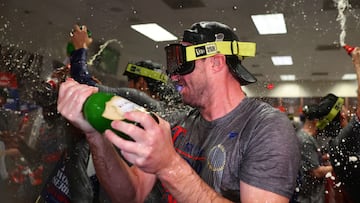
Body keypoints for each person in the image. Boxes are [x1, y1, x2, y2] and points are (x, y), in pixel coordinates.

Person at [57, 21, 301, 202]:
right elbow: (131, 195)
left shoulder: (266, 128)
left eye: (181, 62)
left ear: (216, 62)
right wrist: (95, 137)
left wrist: (168, 165)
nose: (173, 75)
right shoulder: (177, 123)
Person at [318, 46, 360, 203]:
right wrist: (357, 65)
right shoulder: (344, 139)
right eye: (344, 107)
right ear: (342, 114)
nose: (348, 109)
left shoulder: (336, 143)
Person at [294, 104, 333, 203]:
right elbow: (316, 172)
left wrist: (326, 157)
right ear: (316, 121)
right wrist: (338, 166)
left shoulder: (306, 137)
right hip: (309, 198)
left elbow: (311, 159)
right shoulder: (305, 140)